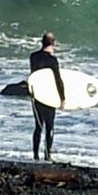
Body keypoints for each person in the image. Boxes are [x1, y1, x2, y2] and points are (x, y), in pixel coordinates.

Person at [29, 32, 65, 161]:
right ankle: (47, 155)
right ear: (53, 43)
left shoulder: (33, 57)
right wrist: (62, 98)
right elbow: (58, 80)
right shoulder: (52, 61)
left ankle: (35, 155)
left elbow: (34, 77)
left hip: (36, 95)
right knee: (50, 126)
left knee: (38, 126)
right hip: (50, 96)